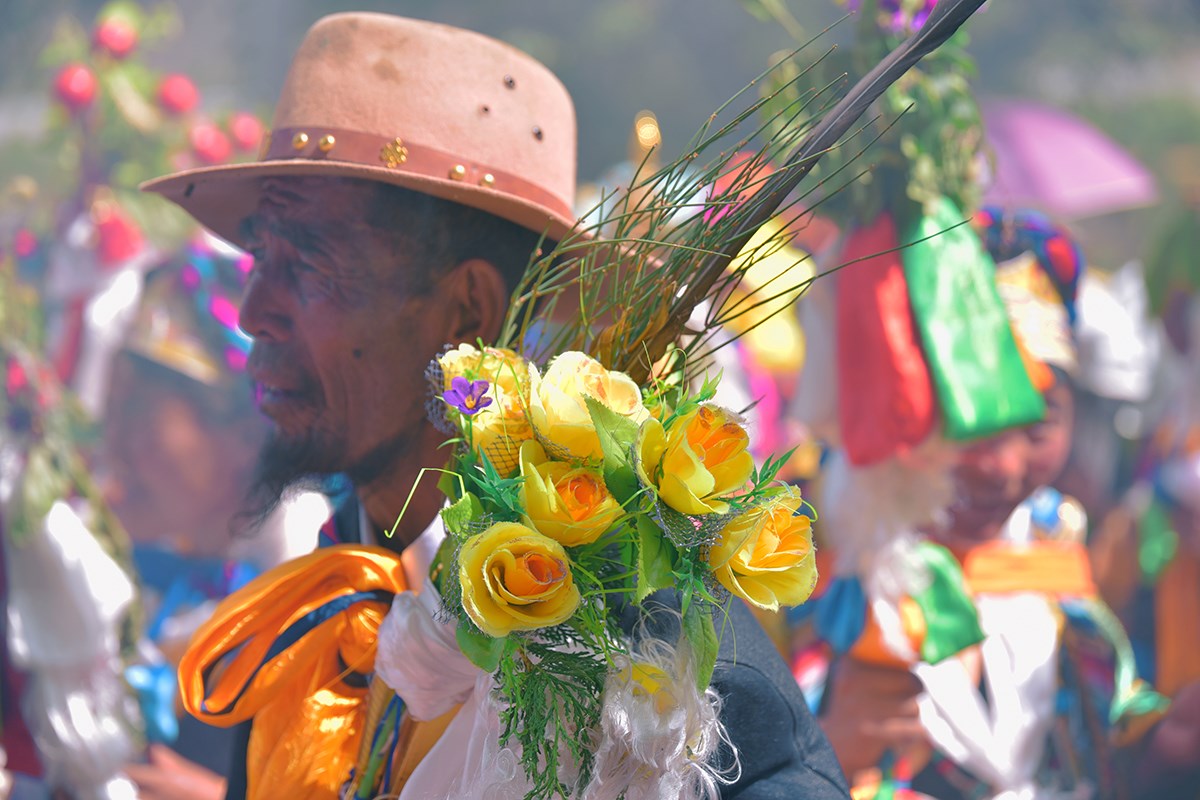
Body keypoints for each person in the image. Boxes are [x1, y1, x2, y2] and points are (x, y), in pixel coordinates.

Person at [143, 13, 849, 799]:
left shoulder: (653, 656)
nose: (251, 309)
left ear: (467, 316)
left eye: (308, 259)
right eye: (262, 254)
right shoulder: (326, 606)